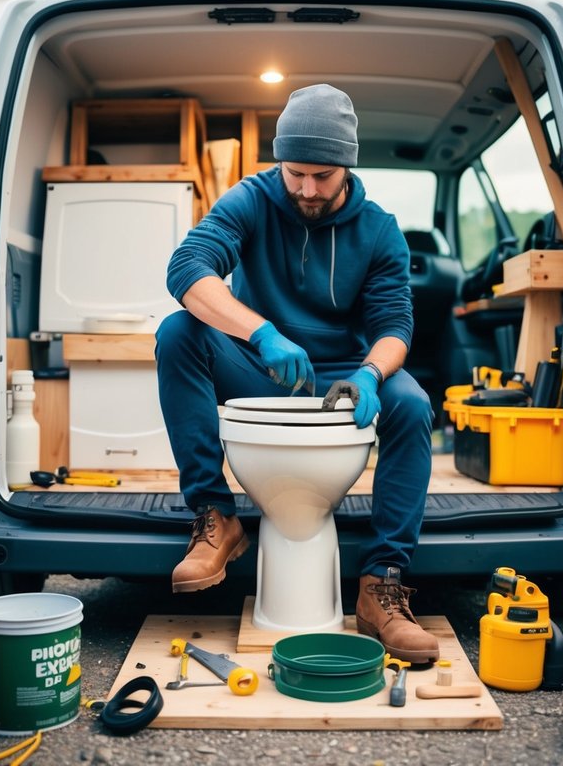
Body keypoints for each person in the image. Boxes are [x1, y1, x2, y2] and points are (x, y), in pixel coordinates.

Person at [154, 84, 438, 663]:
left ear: (348, 167)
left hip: (341, 379)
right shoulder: (252, 199)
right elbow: (187, 268)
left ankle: (381, 584)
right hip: (260, 365)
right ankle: (216, 517)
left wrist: (368, 374)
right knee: (177, 334)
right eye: (295, 173)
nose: (307, 189)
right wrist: (259, 332)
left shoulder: (379, 230)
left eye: (323, 176)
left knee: (410, 405)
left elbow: (396, 326)